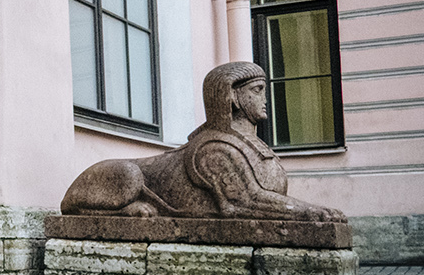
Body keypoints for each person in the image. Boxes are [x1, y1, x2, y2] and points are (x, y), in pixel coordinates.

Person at [60, 61, 346, 222]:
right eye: (257, 91)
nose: (264, 99)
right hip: (120, 179)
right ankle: (104, 209)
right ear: (232, 96)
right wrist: (308, 211)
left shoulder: (244, 145)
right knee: (128, 174)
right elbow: (239, 204)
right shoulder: (214, 150)